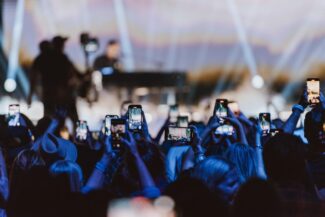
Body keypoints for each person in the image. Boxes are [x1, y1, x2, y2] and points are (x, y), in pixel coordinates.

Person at [28, 36, 80, 123]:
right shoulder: (61, 58)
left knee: (51, 122)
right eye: (62, 44)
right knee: (72, 120)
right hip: (63, 96)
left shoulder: (42, 58)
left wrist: (30, 95)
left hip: (50, 96)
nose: (64, 46)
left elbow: (33, 78)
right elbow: (75, 74)